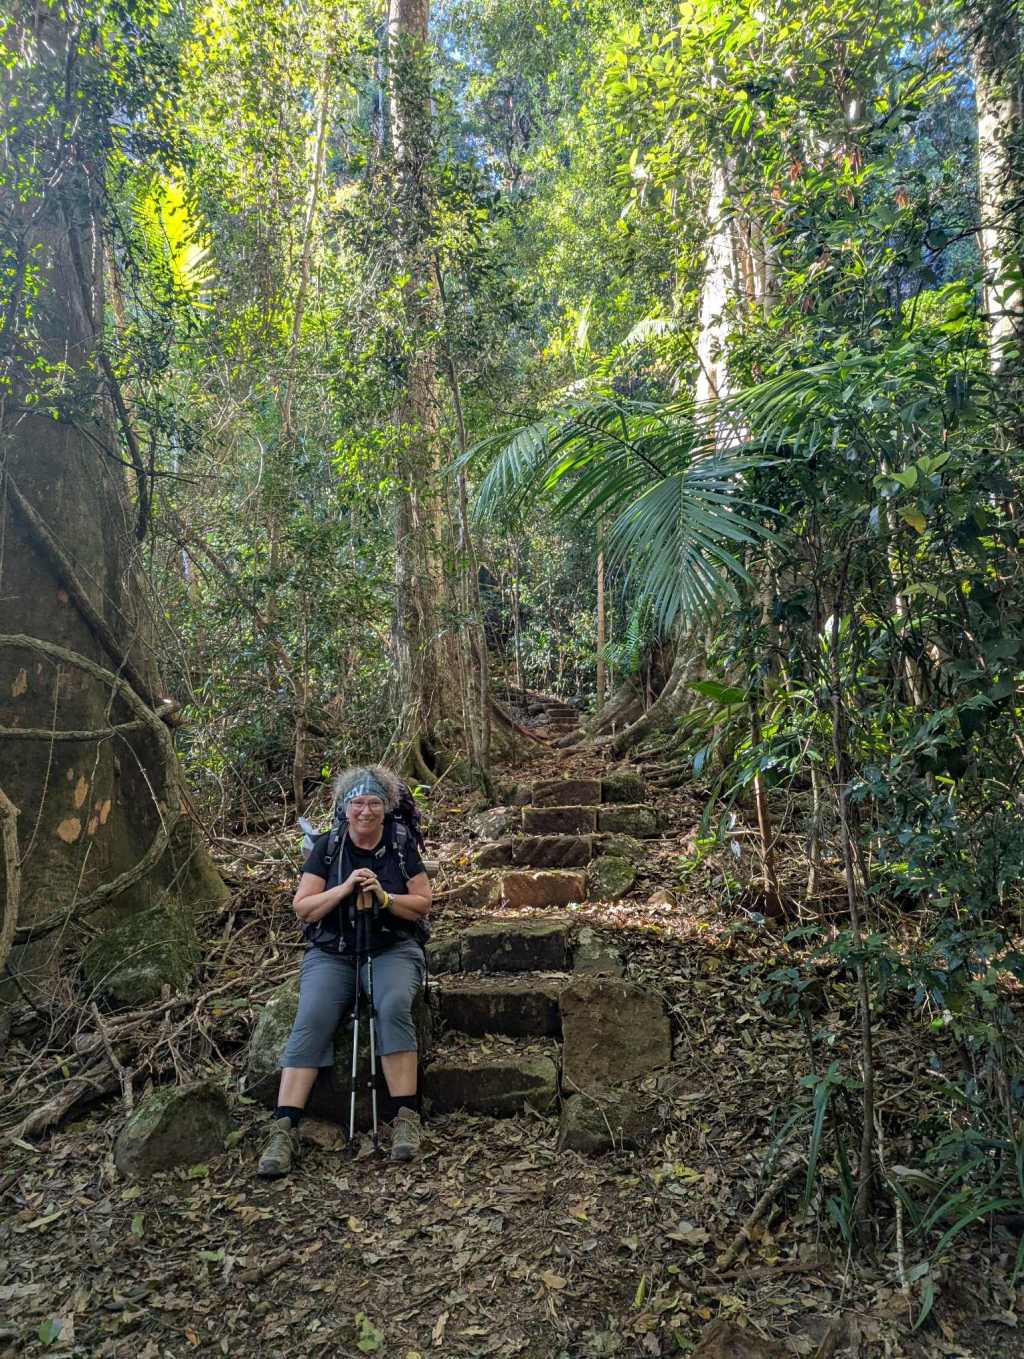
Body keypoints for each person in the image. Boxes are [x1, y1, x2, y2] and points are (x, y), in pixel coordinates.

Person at [257, 766, 431, 1175]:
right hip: (332, 952)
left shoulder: (400, 843)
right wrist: (345, 888)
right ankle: (283, 1128)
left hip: (391, 947)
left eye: (374, 803)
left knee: (393, 1005)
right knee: (313, 1013)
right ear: (344, 807)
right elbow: (303, 907)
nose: (365, 811)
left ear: (387, 807)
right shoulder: (328, 846)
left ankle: (406, 1118)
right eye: (357, 803)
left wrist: (385, 898)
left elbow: (423, 903)